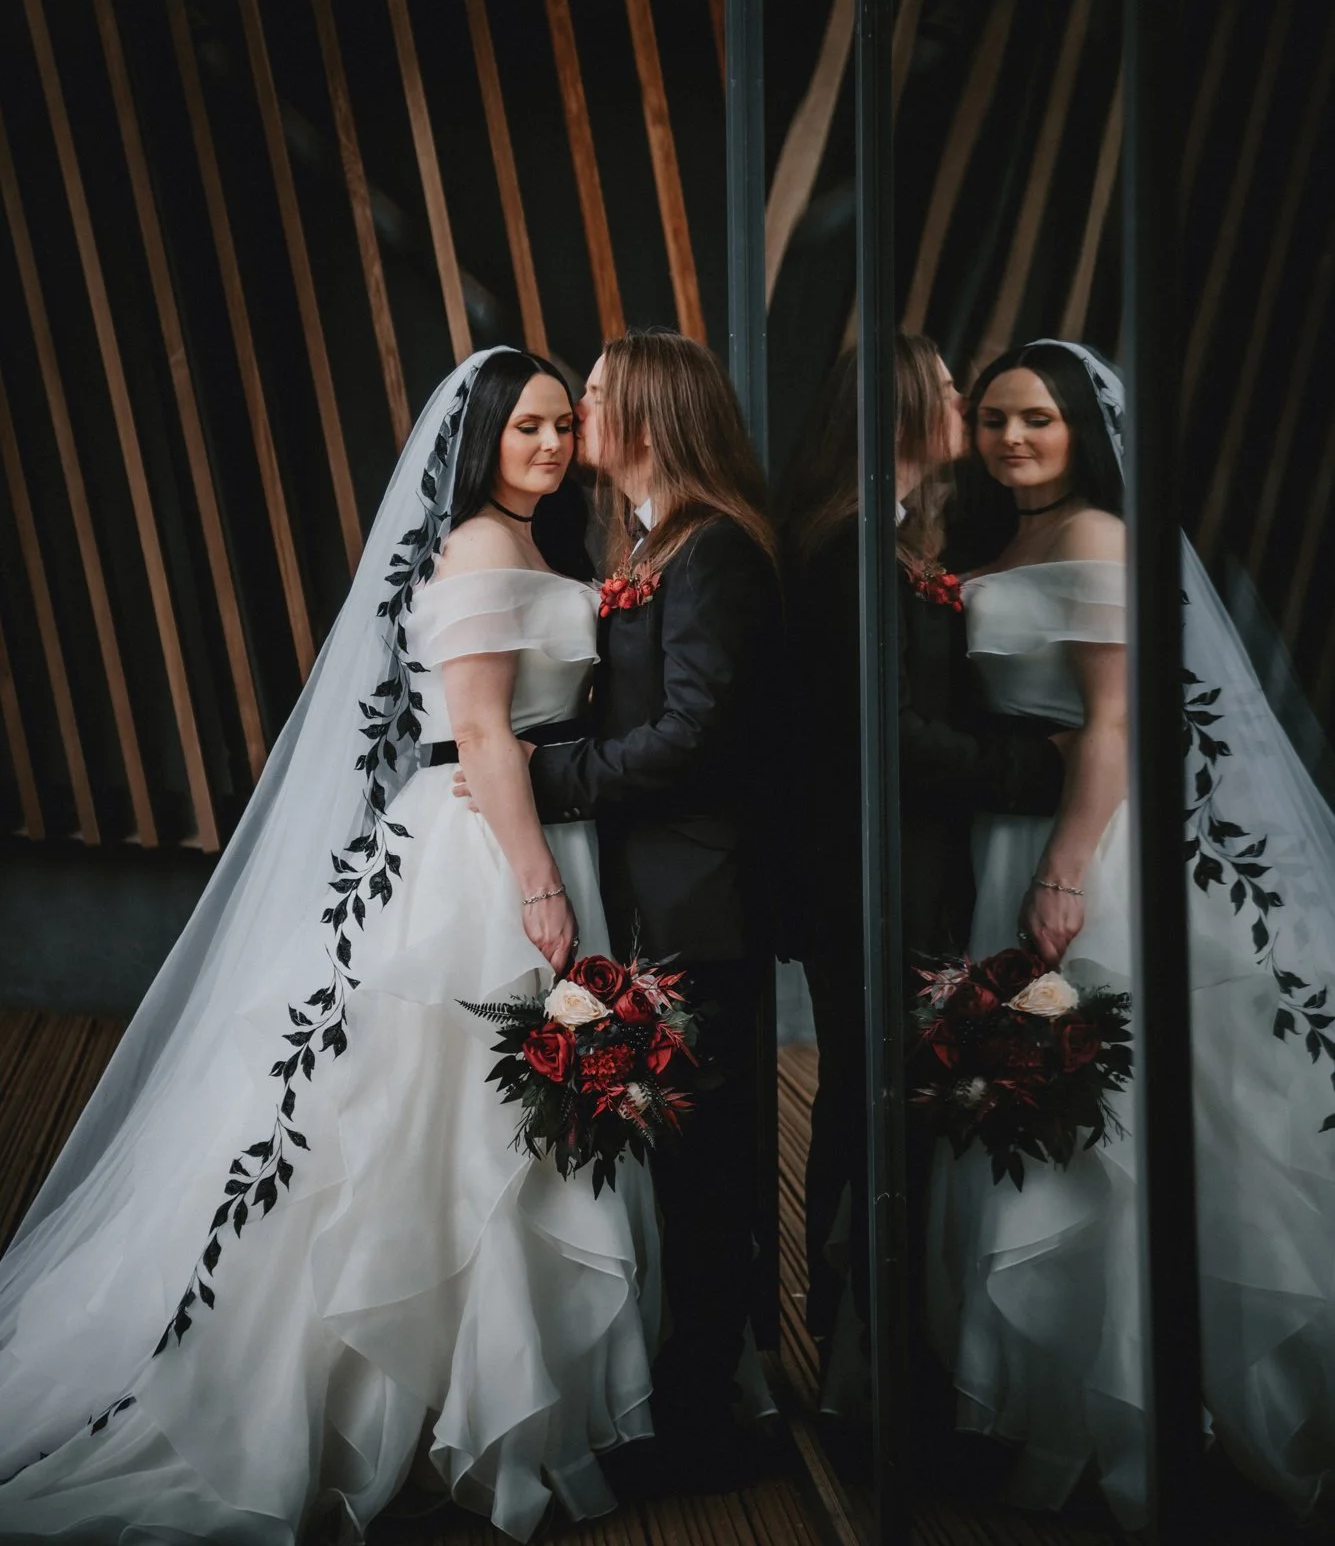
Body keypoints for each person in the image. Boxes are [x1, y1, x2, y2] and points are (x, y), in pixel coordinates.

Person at [0, 348, 660, 1545]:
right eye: (528, 428)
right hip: (485, 861)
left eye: (566, 424)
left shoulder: (531, 547)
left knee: (505, 1131)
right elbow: (479, 732)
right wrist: (539, 892)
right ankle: (390, 1396)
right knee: (446, 1131)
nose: (555, 446)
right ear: (480, 443)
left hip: (521, 844)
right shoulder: (471, 551)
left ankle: (495, 1396)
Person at [926, 339, 1335, 1530]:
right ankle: (1045, 1395)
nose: (1011, 438)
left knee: (1109, 1111)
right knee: (1034, 1107)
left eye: (1037, 419)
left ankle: (1135, 1403)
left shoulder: (1102, 537)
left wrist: (1064, 869)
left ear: (1081, 430)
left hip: (1084, 846)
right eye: (995, 417)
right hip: (1007, 837)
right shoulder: (992, 546)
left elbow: (1115, 717)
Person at [460, 327, 782, 1485]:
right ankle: (701, 1397)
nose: (575, 416)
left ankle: (709, 1431)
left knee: (704, 1168)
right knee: (679, 1157)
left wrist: (547, 777)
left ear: (648, 409)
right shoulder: (648, 539)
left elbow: (695, 731)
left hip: (703, 898)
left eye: (592, 398)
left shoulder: (717, 553)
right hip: (645, 889)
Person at [777, 337, 1065, 1398]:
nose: (968, 405)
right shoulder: (857, 549)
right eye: (950, 390)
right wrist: (1034, 765)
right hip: (869, 876)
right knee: (877, 1102)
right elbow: (887, 733)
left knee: (871, 1094)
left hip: (874, 870)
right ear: (897, 409)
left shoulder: (880, 539)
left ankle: (862, 1349)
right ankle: (868, 1370)